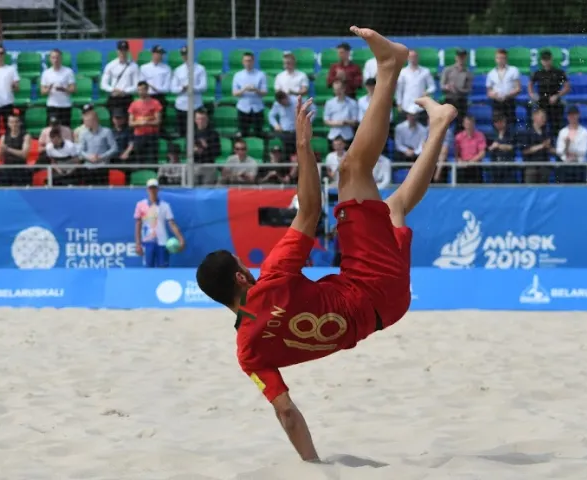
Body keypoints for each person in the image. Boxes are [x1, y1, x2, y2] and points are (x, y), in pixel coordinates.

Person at [195, 27, 457, 462]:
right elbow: (310, 211)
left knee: (392, 208)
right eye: (245, 266)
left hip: (386, 310)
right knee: (352, 170)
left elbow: (287, 414)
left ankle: (440, 125)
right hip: (368, 284)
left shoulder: (247, 353)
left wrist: (313, 466)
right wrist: (303, 147)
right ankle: (389, 67)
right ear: (242, 276)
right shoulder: (272, 280)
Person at [133, 178, 186, 268]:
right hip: (147, 242)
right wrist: (138, 244)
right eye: (150, 188)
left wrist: (181, 239)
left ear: (158, 189)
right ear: (147, 189)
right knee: (148, 270)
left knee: (163, 269)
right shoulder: (140, 205)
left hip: (163, 243)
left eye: (154, 188)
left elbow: (172, 224)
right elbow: (138, 225)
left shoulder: (165, 206)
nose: (152, 190)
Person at [0, 110, 32, 186]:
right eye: (12, 122)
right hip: (7, 168)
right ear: (8, 124)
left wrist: (8, 149)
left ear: (20, 123)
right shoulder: (3, 137)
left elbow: (24, 154)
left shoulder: (26, 136)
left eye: (16, 122)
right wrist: (1, 150)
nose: (14, 124)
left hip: (21, 169)